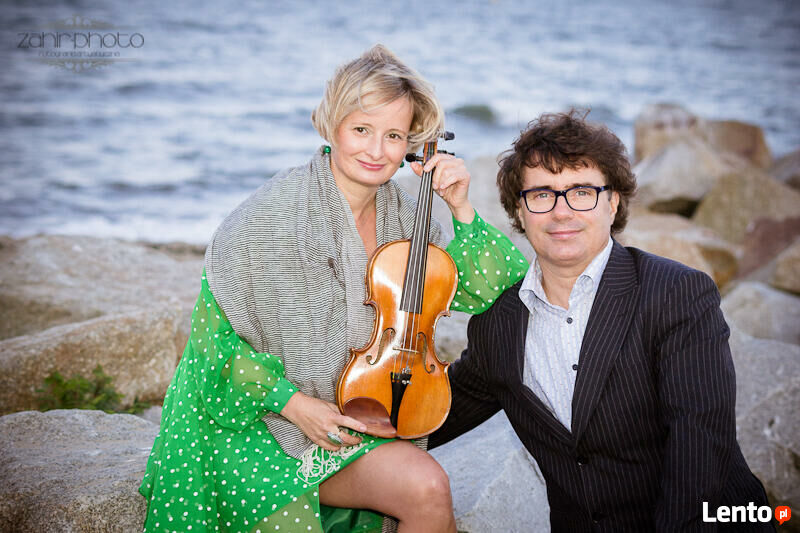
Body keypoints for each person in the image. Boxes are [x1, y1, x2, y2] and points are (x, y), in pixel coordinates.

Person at [139, 44, 528, 533]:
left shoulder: (407, 218)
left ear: (410, 143)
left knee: (429, 494)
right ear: (332, 125)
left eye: (393, 135)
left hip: (361, 409)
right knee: (426, 487)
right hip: (258, 423)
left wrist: (461, 207)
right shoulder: (270, 216)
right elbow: (210, 342)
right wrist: (296, 406)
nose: (376, 150)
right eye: (361, 129)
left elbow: (494, 287)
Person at [429, 110, 773, 531]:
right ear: (519, 210)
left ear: (613, 203)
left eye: (582, 192)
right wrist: (353, 427)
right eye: (541, 194)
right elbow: (431, 417)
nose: (561, 212)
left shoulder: (676, 294)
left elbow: (699, 449)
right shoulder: (499, 321)